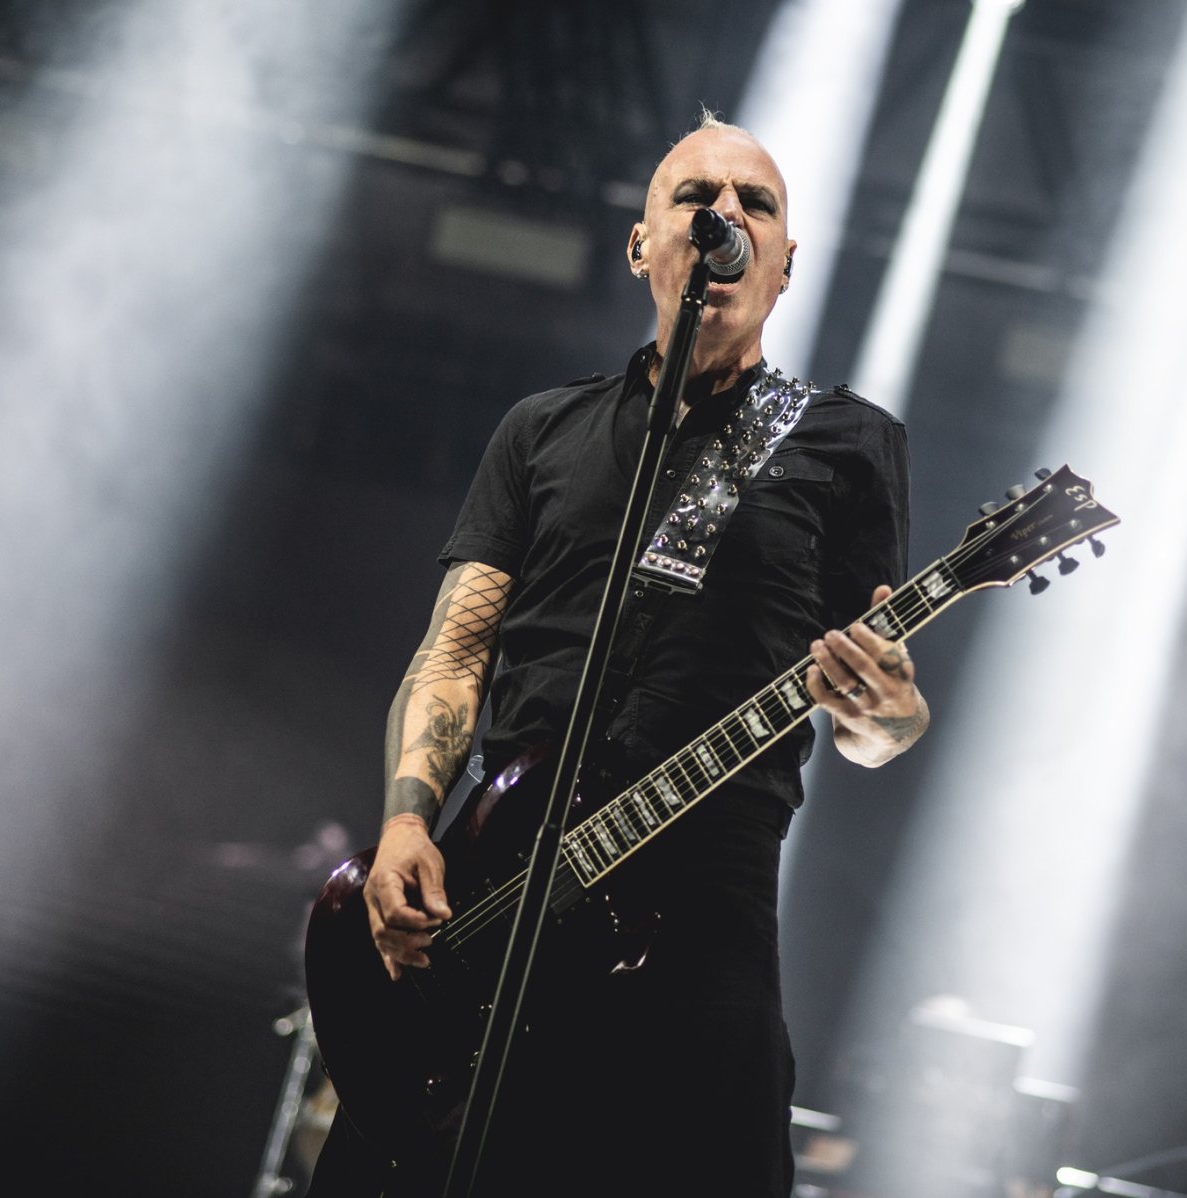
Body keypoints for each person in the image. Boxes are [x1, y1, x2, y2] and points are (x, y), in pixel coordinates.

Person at [308, 113, 929, 1197]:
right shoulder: (541, 430)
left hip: (705, 919)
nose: (726, 214)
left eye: (757, 204)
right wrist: (407, 822)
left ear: (785, 265)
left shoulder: (845, 443)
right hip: (498, 889)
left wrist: (888, 713)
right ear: (644, 245)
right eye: (697, 197)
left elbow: (874, 725)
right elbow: (455, 653)